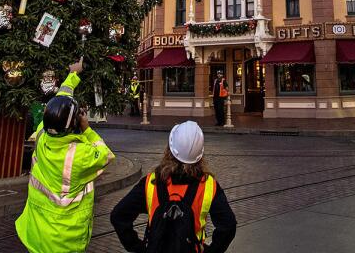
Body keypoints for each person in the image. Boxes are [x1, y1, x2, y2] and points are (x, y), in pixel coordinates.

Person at [16, 58, 115, 253]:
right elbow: (106, 155)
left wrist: (72, 75)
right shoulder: (80, 154)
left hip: (36, 233)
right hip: (65, 240)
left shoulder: (42, 133)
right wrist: (87, 130)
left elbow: (61, 99)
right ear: (74, 125)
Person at [110, 121, 236, 253]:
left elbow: (118, 215)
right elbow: (228, 226)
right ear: (200, 155)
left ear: (169, 150)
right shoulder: (208, 185)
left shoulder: (151, 182)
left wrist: (138, 247)